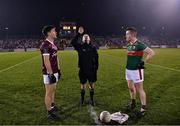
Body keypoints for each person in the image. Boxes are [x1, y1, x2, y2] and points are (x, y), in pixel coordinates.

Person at [125, 27, 155, 116]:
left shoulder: (140, 44)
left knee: (139, 89)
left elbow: (152, 52)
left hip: (136, 70)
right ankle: (133, 102)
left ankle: (143, 108)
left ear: (131, 34)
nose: (125, 36)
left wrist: (143, 62)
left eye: (127, 34)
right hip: (128, 70)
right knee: (130, 88)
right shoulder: (128, 45)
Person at [71, 26, 99, 106]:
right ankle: (82, 100)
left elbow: (97, 58)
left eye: (87, 37)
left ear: (89, 39)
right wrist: (79, 34)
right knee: (82, 85)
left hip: (91, 70)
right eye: (84, 37)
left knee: (92, 85)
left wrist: (96, 68)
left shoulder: (93, 48)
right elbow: (72, 42)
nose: (86, 38)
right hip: (82, 70)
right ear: (82, 39)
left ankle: (92, 99)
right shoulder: (80, 47)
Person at [40, 25, 61, 120]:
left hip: (55, 71)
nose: (56, 32)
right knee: (48, 92)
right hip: (49, 72)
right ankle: (49, 113)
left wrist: (59, 70)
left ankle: (52, 106)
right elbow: (46, 61)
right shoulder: (45, 45)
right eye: (54, 31)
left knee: (53, 90)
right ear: (49, 33)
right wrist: (51, 73)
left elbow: (56, 57)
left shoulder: (53, 44)